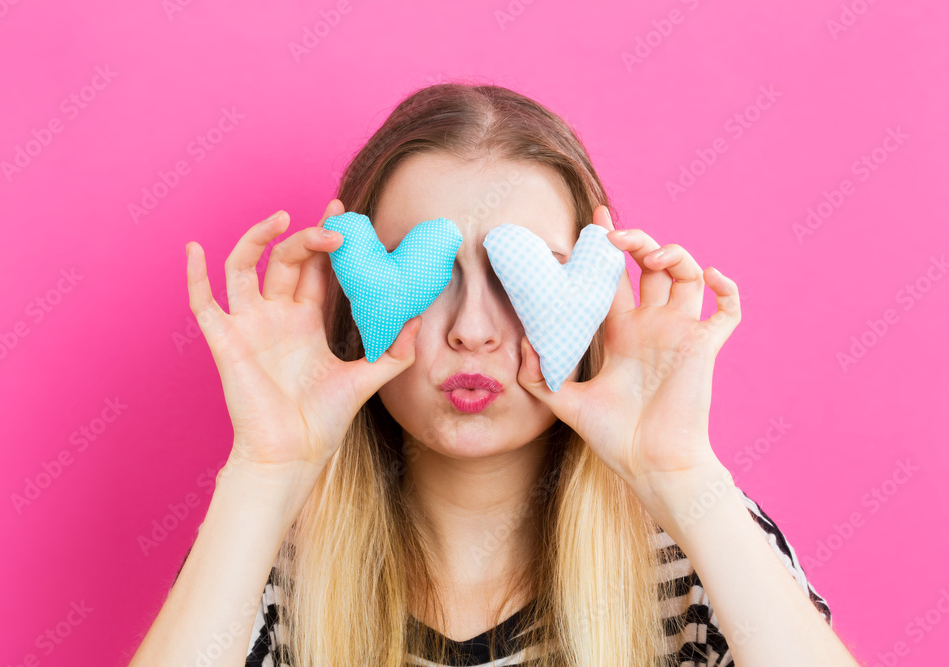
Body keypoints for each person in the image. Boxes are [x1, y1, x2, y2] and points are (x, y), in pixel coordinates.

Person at [129, 83, 858, 666]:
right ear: (358, 293)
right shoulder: (268, 559)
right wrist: (264, 469)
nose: (471, 328)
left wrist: (681, 472)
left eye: (520, 278)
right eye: (427, 272)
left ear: (591, 290)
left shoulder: (692, 553)